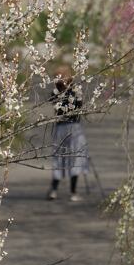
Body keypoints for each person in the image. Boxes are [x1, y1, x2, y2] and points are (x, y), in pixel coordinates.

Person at [47, 71, 89, 202]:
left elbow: (52, 101)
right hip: (74, 127)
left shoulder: (55, 93)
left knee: (58, 157)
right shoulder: (76, 92)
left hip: (60, 128)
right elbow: (80, 106)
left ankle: (54, 190)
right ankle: (73, 192)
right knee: (75, 157)